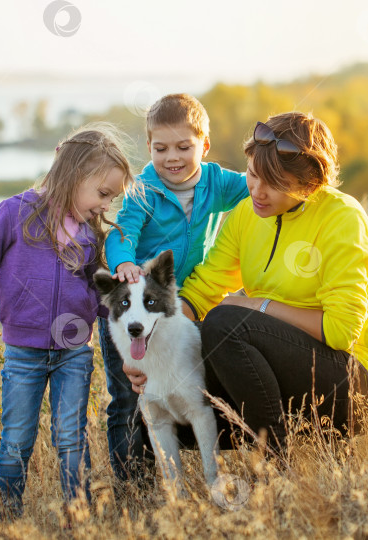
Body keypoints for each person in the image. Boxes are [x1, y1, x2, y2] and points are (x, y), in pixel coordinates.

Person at [124, 112, 368, 451]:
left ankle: (273, 465)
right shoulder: (246, 213)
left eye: (275, 183)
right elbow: (201, 291)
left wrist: (257, 305)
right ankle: (280, 435)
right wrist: (149, 350)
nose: (258, 191)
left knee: (226, 323)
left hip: (355, 386)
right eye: (252, 175)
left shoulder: (343, 218)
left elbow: (341, 331)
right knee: (158, 406)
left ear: (310, 185)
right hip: (281, 382)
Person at [0, 124, 136, 517]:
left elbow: (95, 293)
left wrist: (125, 313)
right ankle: (7, 517)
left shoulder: (90, 233)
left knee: (71, 440)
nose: (106, 205)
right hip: (23, 353)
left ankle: (78, 517)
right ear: (73, 174)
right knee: (17, 439)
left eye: (112, 198)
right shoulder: (16, 213)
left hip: (74, 353)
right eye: (103, 194)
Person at [100, 94, 248, 483]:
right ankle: (133, 482)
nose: (172, 157)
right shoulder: (143, 190)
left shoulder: (217, 182)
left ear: (205, 145)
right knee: (129, 396)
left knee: (183, 385)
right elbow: (121, 233)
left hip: (176, 310)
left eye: (184, 146)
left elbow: (258, 188)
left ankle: (203, 463)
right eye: (160, 148)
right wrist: (124, 262)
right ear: (149, 147)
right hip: (132, 309)